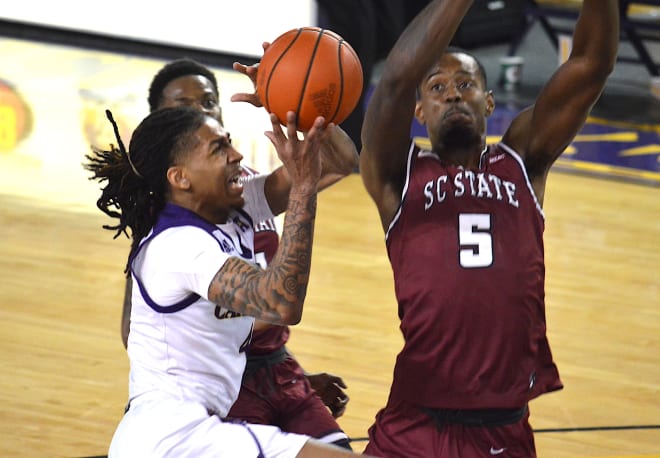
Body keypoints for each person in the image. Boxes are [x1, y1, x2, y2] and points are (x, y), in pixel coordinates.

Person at [358, 0, 619, 456]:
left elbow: (590, 65)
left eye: (466, 84)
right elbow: (396, 81)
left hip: (503, 428)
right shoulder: (397, 174)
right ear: (419, 111)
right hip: (414, 424)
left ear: (489, 101)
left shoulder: (522, 159)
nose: (453, 94)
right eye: (437, 87)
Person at [86, 105, 371, 457]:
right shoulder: (177, 246)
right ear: (180, 178)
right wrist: (302, 189)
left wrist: (297, 98)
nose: (236, 155)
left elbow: (339, 162)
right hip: (172, 437)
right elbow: (280, 301)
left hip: (193, 430)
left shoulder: (231, 207)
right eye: (219, 149)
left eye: (230, 142)